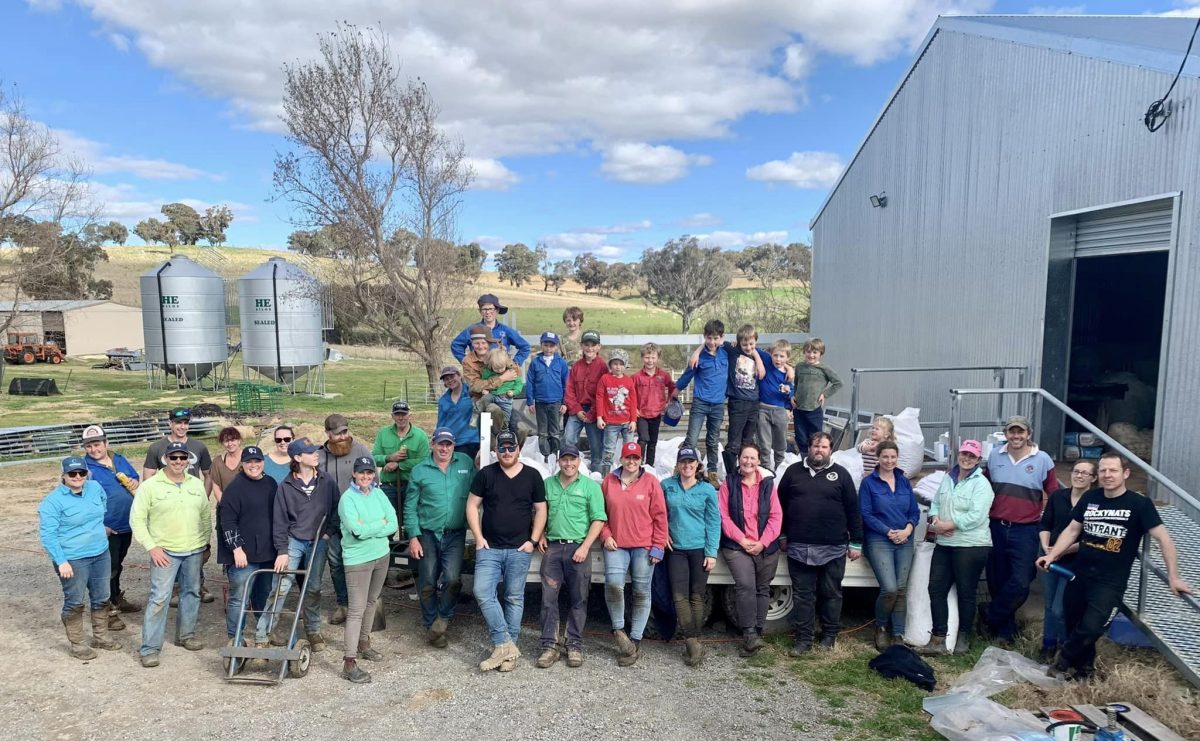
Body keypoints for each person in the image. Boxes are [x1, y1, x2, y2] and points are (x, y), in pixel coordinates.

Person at [1040, 453, 1192, 681]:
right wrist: (1052, 556)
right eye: (1103, 471)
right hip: (1079, 575)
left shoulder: (1139, 504)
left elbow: (1164, 539)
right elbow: (1072, 530)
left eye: (1113, 470)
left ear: (1125, 473)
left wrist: (1174, 576)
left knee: (1091, 628)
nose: (1107, 475)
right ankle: (1085, 672)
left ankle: (1063, 661)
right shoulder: (1090, 498)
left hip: (1110, 582)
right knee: (1074, 624)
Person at [467, 430, 547, 672]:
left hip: (519, 548)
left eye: (511, 447)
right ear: (496, 451)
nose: (507, 452)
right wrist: (479, 538)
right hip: (489, 548)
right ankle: (504, 643)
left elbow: (541, 510)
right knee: (482, 592)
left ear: (518, 449)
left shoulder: (533, 476)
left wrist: (532, 540)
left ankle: (508, 655)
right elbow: (472, 505)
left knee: (514, 597)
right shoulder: (486, 474)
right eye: (502, 448)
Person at [777, 432, 862, 655]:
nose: (819, 450)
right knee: (803, 596)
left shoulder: (841, 475)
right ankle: (803, 640)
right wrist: (782, 534)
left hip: (833, 548)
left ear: (830, 450)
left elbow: (853, 509)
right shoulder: (793, 472)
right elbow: (780, 506)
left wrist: (856, 541)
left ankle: (829, 637)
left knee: (831, 593)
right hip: (798, 547)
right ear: (809, 448)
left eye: (824, 447)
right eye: (816, 446)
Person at [130, 441, 211, 667]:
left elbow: (205, 514)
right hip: (165, 551)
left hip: (194, 549)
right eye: (173, 458)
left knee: (192, 592)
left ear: (188, 460)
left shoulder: (195, 484)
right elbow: (137, 519)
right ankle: (150, 648)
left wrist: (205, 543)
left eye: (182, 458)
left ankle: (186, 635)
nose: (178, 462)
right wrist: (151, 547)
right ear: (165, 459)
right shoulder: (151, 486)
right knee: (160, 597)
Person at [258, 438, 339, 655]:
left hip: (318, 541)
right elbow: (280, 521)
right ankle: (263, 635)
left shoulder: (326, 481)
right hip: (294, 540)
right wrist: (282, 551)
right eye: (310, 452)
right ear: (297, 458)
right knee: (281, 586)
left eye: (315, 451)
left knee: (313, 588)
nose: (316, 455)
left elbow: (335, 510)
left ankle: (313, 631)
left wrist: (328, 533)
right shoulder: (285, 486)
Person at [982, 415, 1058, 644]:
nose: (1016, 436)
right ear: (1006, 434)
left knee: (1022, 581)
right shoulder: (995, 455)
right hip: (996, 525)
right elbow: (983, 485)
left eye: (1020, 432)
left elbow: (1053, 494)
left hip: (1026, 529)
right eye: (1011, 432)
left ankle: (989, 614)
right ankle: (1005, 633)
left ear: (1029, 434)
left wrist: (1055, 525)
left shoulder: (1043, 459)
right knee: (997, 580)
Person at [38, 456, 120, 660]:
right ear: (63, 476)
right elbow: (48, 535)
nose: (77, 477)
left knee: (102, 596)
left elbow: (102, 509)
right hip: (73, 558)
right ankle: (78, 644)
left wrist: (100, 529)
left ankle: (101, 637)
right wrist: (61, 561)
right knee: (74, 601)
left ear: (86, 473)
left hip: (100, 552)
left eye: (81, 473)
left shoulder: (94, 487)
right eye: (71, 473)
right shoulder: (53, 502)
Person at [536, 444, 606, 669]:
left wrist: (585, 547)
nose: (568, 464)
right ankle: (549, 646)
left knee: (579, 599)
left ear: (579, 462)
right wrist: (541, 534)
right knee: (549, 598)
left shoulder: (590, 487)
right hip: (553, 549)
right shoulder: (547, 485)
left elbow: (598, 519)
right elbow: (539, 511)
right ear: (559, 462)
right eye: (564, 460)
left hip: (578, 548)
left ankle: (574, 644)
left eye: (572, 460)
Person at [405, 427, 476, 649]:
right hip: (427, 534)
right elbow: (410, 506)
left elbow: (480, 489)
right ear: (433, 444)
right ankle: (430, 624)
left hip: (455, 534)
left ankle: (442, 618)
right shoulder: (419, 470)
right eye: (441, 444)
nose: (444, 448)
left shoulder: (465, 463)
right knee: (427, 581)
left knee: (453, 579)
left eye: (449, 444)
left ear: (454, 446)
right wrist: (413, 537)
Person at [922, 440, 994, 656]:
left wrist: (949, 525)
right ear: (958, 455)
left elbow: (976, 515)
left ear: (978, 460)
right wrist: (935, 521)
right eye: (964, 454)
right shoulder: (947, 479)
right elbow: (935, 503)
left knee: (966, 592)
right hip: (944, 543)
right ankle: (938, 639)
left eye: (972, 456)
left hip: (971, 545)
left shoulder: (982, 484)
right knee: (936, 589)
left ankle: (964, 637)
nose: (967, 458)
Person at [600, 441, 668, 667]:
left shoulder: (650, 482)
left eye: (635, 458)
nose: (631, 462)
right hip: (616, 544)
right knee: (613, 585)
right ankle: (619, 631)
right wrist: (605, 534)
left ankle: (636, 639)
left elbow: (660, 516)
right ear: (621, 459)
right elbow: (600, 513)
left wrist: (658, 545)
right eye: (628, 458)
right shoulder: (609, 481)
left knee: (641, 591)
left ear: (641, 460)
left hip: (644, 546)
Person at [141, 407, 215, 603]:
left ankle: (197, 582)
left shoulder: (198, 446)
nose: (182, 426)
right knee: (170, 544)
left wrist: (203, 497)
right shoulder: (157, 448)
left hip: (192, 503)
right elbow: (147, 477)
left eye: (185, 423)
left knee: (197, 544)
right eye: (178, 423)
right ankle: (174, 587)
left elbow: (208, 475)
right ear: (170, 424)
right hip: (168, 505)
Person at [718, 441, 783, 656]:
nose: (748, 461)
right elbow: (723, 516)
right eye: (745, 457)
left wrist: (763, 542)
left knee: (763, 588)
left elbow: (776, 516)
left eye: (752, 458)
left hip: (765, 545)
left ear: (759, 461)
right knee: (746, 585)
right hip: (737, 545)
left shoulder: (767, 484)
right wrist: (742, 540)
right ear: (739, 460)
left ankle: (757, 632)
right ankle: (749, 634)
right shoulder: (729, 483)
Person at [338, 456, 398, 684]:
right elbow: (355, 530)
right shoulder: (347, 499)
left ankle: (364, 643)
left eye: (369, 473)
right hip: (358, 560)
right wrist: (379, 526)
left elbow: (392, 523)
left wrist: (372, 528)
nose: (366, 477)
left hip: (381, 555)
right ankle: (349, 661)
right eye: (361, 473)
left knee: (372, 601)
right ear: (354, 474)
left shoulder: (379, 493)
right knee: (356, 609)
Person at [858, 441, 920, 650]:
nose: (889, 461)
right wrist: (887, 531)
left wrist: (908, 529)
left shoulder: (903, 481)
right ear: (878, 457)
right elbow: (865, 513)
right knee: (890, 588)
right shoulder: (869, 483)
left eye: (893, 457)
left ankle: (899, 634)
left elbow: (914, 511)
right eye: (885, 457)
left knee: (901, 588)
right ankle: (882, 628)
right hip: (879, 538)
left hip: (904, 538)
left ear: (897, 458)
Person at [662, 445, 720, 666]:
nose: (687, 465)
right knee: (679, 596)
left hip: (698, 548)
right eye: (683, 462)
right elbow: (658, 513)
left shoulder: (706, 490)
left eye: (691, 462)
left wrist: (711, 552)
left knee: (696, 595)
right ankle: (692, 640)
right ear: (678, 465)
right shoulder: (667, 486)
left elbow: (714, 522)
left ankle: (693, 640)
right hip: (676, 548)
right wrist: (663, 532)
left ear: (697, 465)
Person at [80, 424, 141, 630]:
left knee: (118, 564)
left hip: (127, 523)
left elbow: (135, 478)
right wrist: (99, 525)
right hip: (107, 528)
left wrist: (133, 481)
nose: (94, 449)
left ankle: (115, 598)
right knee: (108, 569)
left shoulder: (119, 459)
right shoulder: (85, 469)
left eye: (97, 444)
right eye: (89, 446)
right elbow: (82, 501)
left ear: (106, 443)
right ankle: (107, 610)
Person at [216, 446, 276, 650]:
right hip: (243, 556)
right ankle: (236, 638)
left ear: (263, 462)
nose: (253, 465)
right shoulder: (235, 488)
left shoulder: (270, 483)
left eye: (257, 461)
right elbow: (228, 521)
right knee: (239, 598)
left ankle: (263, 633)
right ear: (242, 464)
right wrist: (236, 549)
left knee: (265, 596)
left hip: (267, 553)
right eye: (249, 462)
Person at [1037, 460, 1096, 663]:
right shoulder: (1058, 496)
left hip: (1074, 560)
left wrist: (1062, 550)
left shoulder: (1095, 502)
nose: (1079, 476)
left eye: (1085, 473)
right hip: (1050, 556)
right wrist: (1046, 548)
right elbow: (1045, 523)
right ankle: (1048, 644)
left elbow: (1090, 538)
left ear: (1093, 478)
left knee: (1060, 607)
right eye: (1076, 471)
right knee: (1049, 603)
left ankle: (1065, 647)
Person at [319, 413, 374, 625]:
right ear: (328, 434)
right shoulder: (319, 456)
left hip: (358, 520)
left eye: (345, 431)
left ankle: (361, 605)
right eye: (338, 433)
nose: (343, 436)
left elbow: (373, 484)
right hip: (332, 521)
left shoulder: (360, 450)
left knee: (360, 562)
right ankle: (343, 603)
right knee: (336, 562)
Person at [690, 324, 766, 476]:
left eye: (751, 344)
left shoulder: (761, 354)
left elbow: (769, 369)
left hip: (754, 403)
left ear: (756, 343)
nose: (748, 347)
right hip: (737, 402)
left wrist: (757, 356)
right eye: (744, 344)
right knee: (734, 441)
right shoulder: (732, 350)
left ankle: (746, 471)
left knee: (748, 439)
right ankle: (732, 474)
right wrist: (696, 353)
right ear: (738, 343)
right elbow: (711, 342)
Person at [676, 319, 728, 485]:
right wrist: (674, 393)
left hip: (718, 404)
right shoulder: (698, 358)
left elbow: (748, 348)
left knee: (713, 440)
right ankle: (682, 469)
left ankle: (712, 473)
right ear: (704, 337)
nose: (712, 342)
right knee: (691, 438)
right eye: (709, 338)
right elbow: (687, 375)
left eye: (716, 338)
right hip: (700, 403)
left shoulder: (727, 352)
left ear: (721, 338)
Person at [372, 400, 431, 529]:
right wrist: (388, 458)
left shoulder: (420, 436)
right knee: (387, 523)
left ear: (410, 415)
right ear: (392, 416)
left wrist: (400, 465)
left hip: (412, 486)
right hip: (389, 486)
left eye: (404, 414)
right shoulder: (383, 433)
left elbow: (425, 460)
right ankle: (390, 548)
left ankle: (412, 547)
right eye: (397, 414)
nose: (401, 417)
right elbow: (374, 458)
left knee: (412, 522)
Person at [462, 324, 522, 438]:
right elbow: (475, 385)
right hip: (482, 398)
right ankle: (495, 442)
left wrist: (506, 359)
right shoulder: (468, 361)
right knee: (493, 410)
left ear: (489, 343)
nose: (480, 346)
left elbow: (516, 373)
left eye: (484, 343)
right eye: (476, 343)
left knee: (520, 428)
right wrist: (502, 378)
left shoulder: (498, 354)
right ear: (471, 343)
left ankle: (511, 447)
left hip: (503, 396)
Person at [564, 329, 608, 471]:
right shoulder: (576, 367)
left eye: (593, 345)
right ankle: (569, 466)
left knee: (596, 445)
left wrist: (592, 413)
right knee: (568, 438)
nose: (590, 348)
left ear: (598, 347)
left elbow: (603, 393)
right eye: (587, 345)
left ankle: (597, 472)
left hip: (595, 412)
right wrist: (577, 410)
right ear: (581, 346)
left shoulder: (603, 367)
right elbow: (569, 390)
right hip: (577, 409)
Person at [790, 338, 842, 454]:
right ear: (804, 352)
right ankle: (805, 460)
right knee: (801, 437)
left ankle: (816, 460)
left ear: (820, 353)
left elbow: (838, 383)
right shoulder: (800, 367)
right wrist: (792, 396)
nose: (811, 355)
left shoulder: (824, 369)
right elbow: (796, 384)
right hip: (799, 408)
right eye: (808, 352)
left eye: (815, 352)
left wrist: (825, 394)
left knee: (815, 438)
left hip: (814, 409)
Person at [449, 293, 531, 366]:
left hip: (501, 374)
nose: (487, 312)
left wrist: (515, 363)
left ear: (497, 310)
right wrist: (466, 362)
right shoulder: (473, 330)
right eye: (484, 309)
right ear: (480, 311)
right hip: (479, 374)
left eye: (491, 309)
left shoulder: (505, 331)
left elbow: (525, 347)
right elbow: (456, 345)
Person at [525, 331, 570, 461]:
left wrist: (564, 402)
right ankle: (544, 456)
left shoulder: (561, 363)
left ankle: (556, 456)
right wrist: (530, 401)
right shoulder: (535, 362)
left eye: (552, 345)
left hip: (556, 401)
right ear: (541, 345)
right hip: (540, 401)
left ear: (556, 347)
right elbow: (530, 381)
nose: (548, 348)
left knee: (555, 430)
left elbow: (566, 383)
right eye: (546, 345)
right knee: (543, 431)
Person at [633, 342, 676, 467]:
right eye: (647, 357)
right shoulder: (636, 377)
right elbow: (629, 394)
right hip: (641, 413)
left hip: (657, 413)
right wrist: (634, 408)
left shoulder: (663, 375)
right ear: (642, 358)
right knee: (643, 439)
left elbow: (673, 387)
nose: (650, 360)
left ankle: (649, 465)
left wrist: (669, 401)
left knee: (653, 441)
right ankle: (638, 464)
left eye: (653, 357)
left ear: (658, 358)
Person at [596, 348, 639, 472]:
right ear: (610, 365)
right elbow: (599, 398)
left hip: (627, 422)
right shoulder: (605, 379)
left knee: (629, 449)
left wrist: (633, 420)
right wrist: (599, 417)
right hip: (610, 423)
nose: (618, 367)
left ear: (625, 365)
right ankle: (605, 475)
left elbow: (633, 401)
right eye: (615, 364)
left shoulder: (628, 381)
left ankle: (629, 472)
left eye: (621, 364)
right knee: (609, 449)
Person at [757, 339, 793, 472]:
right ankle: (765, 469)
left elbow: (792, 393)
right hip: (763, 409)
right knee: (764, 443)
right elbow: (754, 348)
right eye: (775, 355)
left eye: (782, 356)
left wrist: (788, 393)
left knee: (780, 443)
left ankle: (780, 468)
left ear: (787, 357)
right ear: (771, 354)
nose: (778, 359)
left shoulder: (788, 375)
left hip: (780, 411)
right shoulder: (767, 362)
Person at [436, 366, 481, 460]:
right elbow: (440, 424)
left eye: (452, 376)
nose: (450, 380)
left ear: (459, 375)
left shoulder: (472, 392)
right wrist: (437, 440)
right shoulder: (443, 400)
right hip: (451, 443)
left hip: (472, 441)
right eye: (446, 379)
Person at [478, 347, 524, 431]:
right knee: (485, 400)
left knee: (506, 418)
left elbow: (518, 384)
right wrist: (485, 389)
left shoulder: (512, 371)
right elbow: (484, 382)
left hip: (505, 398)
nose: (499, 371)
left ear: (505, 364)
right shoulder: (488, 372)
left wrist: (513, 392)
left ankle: (504, 431)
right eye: (496, 369)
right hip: (493, 395)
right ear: (491, 365)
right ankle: (476, 414)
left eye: (501, 368)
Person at [209, 426, 244, 502]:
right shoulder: (217, 462)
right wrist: (225, 505)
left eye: (233, 440)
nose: (230, 444)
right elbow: (216, 487)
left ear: (239, 441)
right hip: (226, 506)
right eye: (226, 441)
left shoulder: (248, 459)